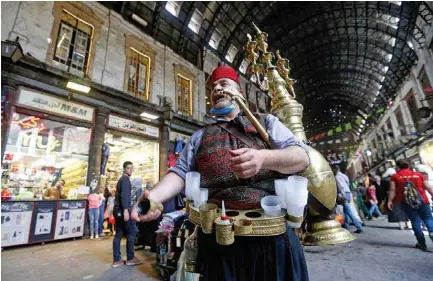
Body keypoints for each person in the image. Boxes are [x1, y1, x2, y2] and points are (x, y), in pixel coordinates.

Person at [132, 64, 310, 281]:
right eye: (213, 87)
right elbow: (180, 172)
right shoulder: (200, 136)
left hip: (271, 238)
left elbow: (301, 158)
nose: (217, 89)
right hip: (218, 242)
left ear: (239, 93)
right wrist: (154, 199)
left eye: (224, 84)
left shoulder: (267, 122)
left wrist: (263, 158)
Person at [388, 159, 433, 251]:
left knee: (415, 221)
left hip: (407, 202)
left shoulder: (395, 176)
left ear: (397, 166)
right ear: (409, 165)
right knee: (428, 218)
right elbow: (428, 187)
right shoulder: (419, 175)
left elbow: (392, 190)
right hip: (422, 201)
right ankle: (432, 232)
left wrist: (390, 201)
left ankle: (422, 244)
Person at [112, 161, 143, 267]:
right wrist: (126, 210)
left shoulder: (122, 180)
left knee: (119, 234)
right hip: (122, 210)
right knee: (132, 232)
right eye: (129, 168)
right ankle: (130, 258)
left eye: (132, 168)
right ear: (124, 169)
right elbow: (124, 196)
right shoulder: (125, 180)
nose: (131, 170)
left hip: (117, 211)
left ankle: (117, 260)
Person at [334, 166, 363, 233]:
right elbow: (347, 184)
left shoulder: (337, 177)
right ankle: (346, 226)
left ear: (336, 170)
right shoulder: (344, 176)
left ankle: (359, 227)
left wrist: (343, 196)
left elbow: (341, 187)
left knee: (349, 211)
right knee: (346, 210)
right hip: (348, 193)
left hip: (343, 194)